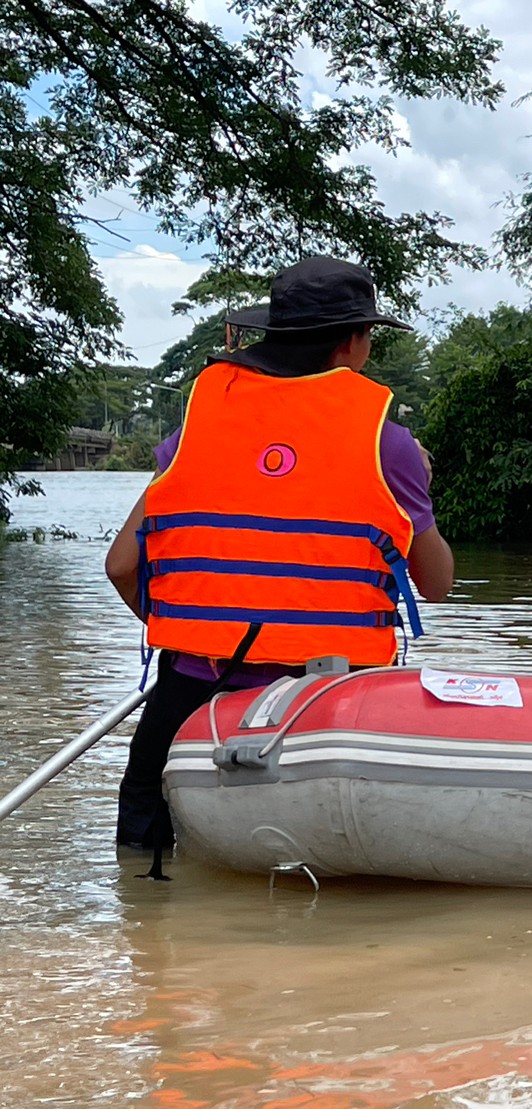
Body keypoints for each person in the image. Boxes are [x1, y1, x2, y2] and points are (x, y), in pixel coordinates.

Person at [104, 256, 455, 851]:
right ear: (352, 343)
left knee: (144, 849)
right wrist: (417, 484)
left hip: (194, 688)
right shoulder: (389, 444)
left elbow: (120, 565)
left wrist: (192, 631)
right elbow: (437, 584)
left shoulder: (196, 428)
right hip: (330, 700)